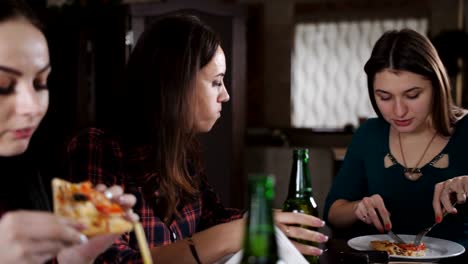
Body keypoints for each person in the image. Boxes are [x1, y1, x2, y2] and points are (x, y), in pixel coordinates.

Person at [66, 13, 329, 263]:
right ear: (176, 84)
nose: (225, 95)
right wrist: (236, 232)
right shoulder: (93, 149)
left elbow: (211, 218)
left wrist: (260, 219)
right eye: (216, 82)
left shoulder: (182, 151)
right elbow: (105, 260)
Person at [0, 1, 138, 263]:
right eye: (3, 86)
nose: (32, 107)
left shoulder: (26, 177)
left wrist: (71, 258)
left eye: (40, 82)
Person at [324, 28, 468, 247]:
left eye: (412, 95)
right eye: (384, 97)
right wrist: (357, 208)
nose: (398, 111)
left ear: (437, 86)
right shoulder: (369, 135)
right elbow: (333, 213)